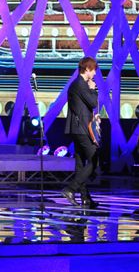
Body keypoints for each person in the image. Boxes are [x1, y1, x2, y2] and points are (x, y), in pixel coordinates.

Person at [62, 56, 99, 209]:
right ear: (87, 69)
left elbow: (83, 107)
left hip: (78, 127)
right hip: (83, 128)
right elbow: (93, 102)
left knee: (80, 163)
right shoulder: (81, 85)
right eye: (94, 70)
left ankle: (86, 199)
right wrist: (93, 89)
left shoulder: (77, 85)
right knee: (94, 161)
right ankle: (70, 189)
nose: (95, 74)